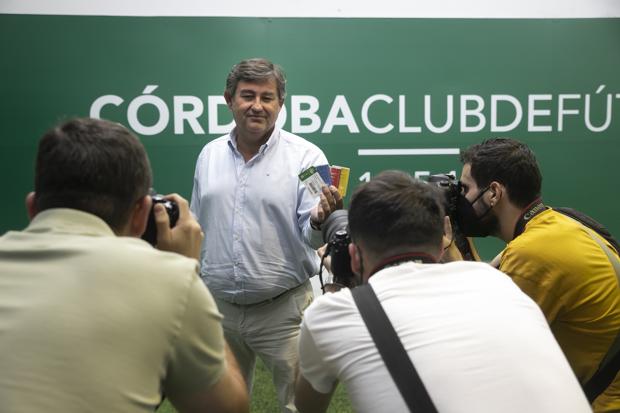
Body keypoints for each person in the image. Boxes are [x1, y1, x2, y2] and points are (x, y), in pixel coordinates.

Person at [0, 118, 248, 413]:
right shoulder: (171, 280)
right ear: (142, 215)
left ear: (32, 207)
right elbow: (226, 409)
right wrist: (186, 272)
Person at [295, 170, 591, 413]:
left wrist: (338, 283)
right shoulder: (495, 282)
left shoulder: (333, 314)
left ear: (354, 257)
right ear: (443, 238)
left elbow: (305, 407)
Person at [190, 58, 342, 412]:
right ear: (229, 100)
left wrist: (319, 219)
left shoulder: (307, 156)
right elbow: (199, 225)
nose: (257, 105)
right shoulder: (208, 155)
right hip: (220, 310)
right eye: (247, 96)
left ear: (280, 104)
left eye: (267, 97)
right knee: (219, 405)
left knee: (298, 406)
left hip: (283, 312)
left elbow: (313, 236)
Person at [456, 137, 620, 412]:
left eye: (465, 189)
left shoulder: (531, 251)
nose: (462, 201)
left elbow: (481, 352)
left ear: (493, 193)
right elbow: (489, 277)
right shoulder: (561, 222)